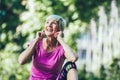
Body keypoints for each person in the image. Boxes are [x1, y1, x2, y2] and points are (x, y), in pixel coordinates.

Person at [18, 14, 78, 80]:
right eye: (47, 22)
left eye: (53, 23)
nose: (49, 25)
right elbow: (21, 61)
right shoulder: (37, 43)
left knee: (71, 65)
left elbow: (74, 58)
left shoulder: (61, 49)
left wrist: (60, 39)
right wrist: (36, 40)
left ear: (60, 30)